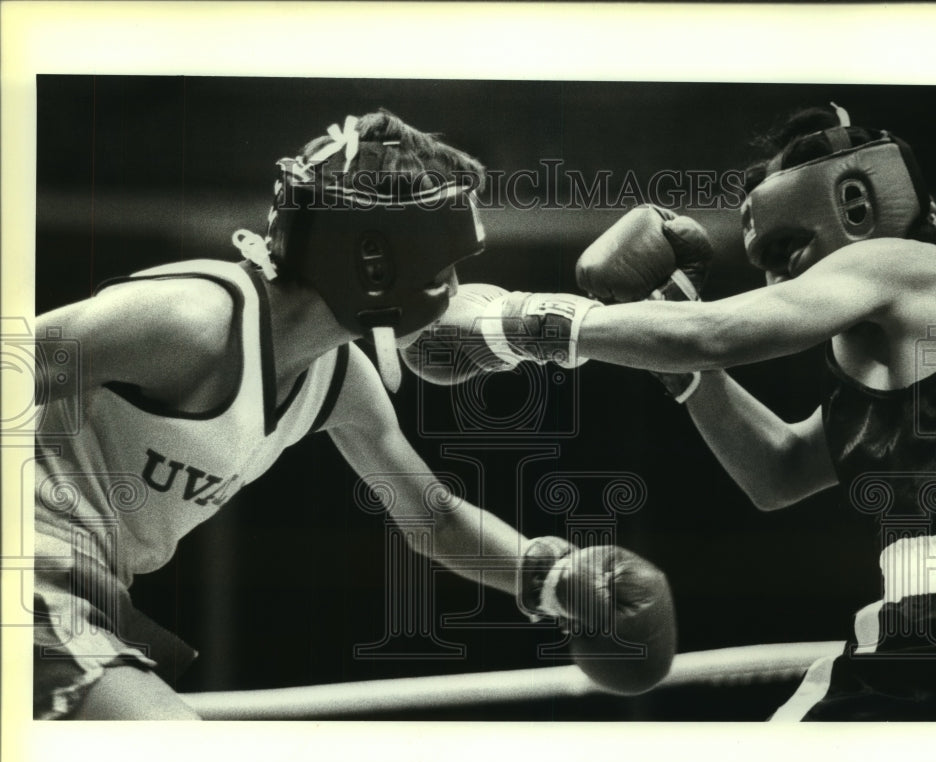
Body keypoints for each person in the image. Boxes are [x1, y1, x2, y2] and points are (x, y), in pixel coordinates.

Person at [32, 111, 676, 720]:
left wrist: (553, 577)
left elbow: (431, 516)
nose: (454, 292)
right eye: (445, 266)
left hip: (92, 585)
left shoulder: (338, 380)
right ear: (378, 263)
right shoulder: (193, 320)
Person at [409, 104, 936, 720]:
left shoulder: (906, 261)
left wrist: (512, 324)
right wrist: (677, 363)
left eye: (790, 247)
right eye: (772, 259)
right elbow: (778, 471)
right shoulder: (901, 359)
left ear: (856, 205)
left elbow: (712, 333)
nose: (784, 275)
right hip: (925, 627)